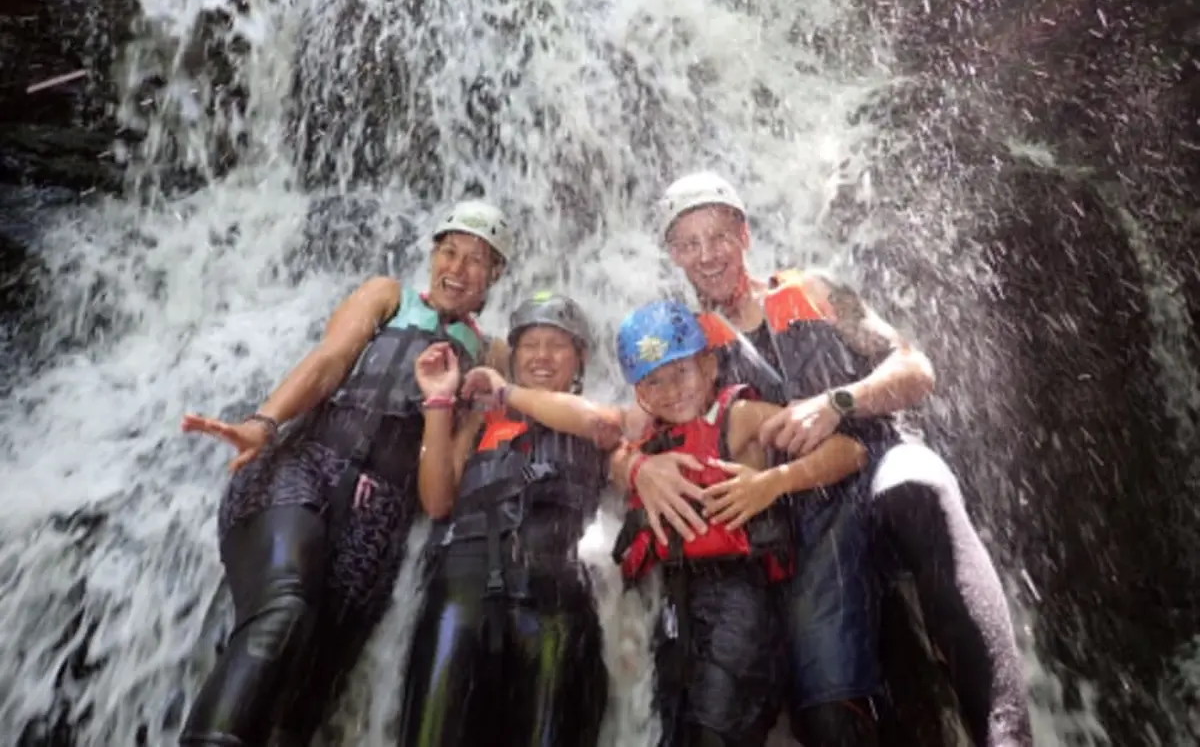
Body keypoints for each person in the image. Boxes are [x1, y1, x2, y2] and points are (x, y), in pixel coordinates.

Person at [618, 171, 1032, 746]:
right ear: (673, 254)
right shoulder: (690, 343)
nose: (707, 255)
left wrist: (842, 401)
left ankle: (1006, 735)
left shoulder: (813, 289)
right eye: (688, 243)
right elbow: (624, 429)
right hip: (803, 516)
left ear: (745, 234)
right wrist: (638, 468)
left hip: (879, 459)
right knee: (826, 704)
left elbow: (914, 367)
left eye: (718, 235)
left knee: (919, 487)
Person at [177, 200, 513, 747]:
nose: (459, 267)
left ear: (496, 274)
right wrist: (264, 423)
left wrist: (440, 403)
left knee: (307, 693)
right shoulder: (387, 295)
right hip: (304, 468)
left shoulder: (491, 353)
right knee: (284, 609)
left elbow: (439, 498)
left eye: (478, 260)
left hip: (380, 524)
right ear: (432, 255)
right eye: (449, 251)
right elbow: (330, 361)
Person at [613, 299, 870, 747]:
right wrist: (635, 466)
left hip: (741, 599)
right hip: (676, 607)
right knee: (676, 730)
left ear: (710, 365)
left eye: (682, 372)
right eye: (655, 381)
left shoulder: (741, 417)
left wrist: (774, 482)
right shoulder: (647, 438)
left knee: (714, 730)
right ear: (641, 394)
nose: (672, 390)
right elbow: (610, 452)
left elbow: (849, 452)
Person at [398, 292, 616, 747]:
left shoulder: (595, 420)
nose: (541, 355)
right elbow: (438, 500)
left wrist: (507, 392)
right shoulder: (480, 421)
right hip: (464, 583)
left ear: (580, 359)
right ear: (512, 356)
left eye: (557, 344)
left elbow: (604, 425)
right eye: (530, 344)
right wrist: (439, 403)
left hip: (556, 587)